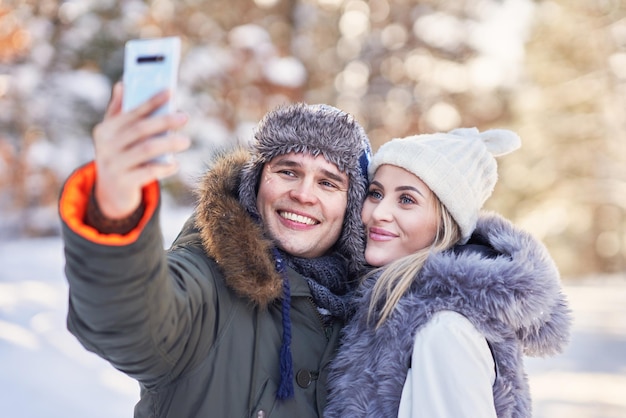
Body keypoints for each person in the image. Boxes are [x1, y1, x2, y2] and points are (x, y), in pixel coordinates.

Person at [58, 82, 373, 417]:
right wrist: (114, 211)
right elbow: (129, 318)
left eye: (327, 182)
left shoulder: (371, 316)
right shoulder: (207, 276)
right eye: (287, 171)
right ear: (255, 182)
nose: (303, 194)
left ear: (352, 209)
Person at [324, 128, 572, 417]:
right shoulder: (392, 308)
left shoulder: (444, 330)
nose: (379, 212)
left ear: (445, 222)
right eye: (376, 193)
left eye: (406, 200)